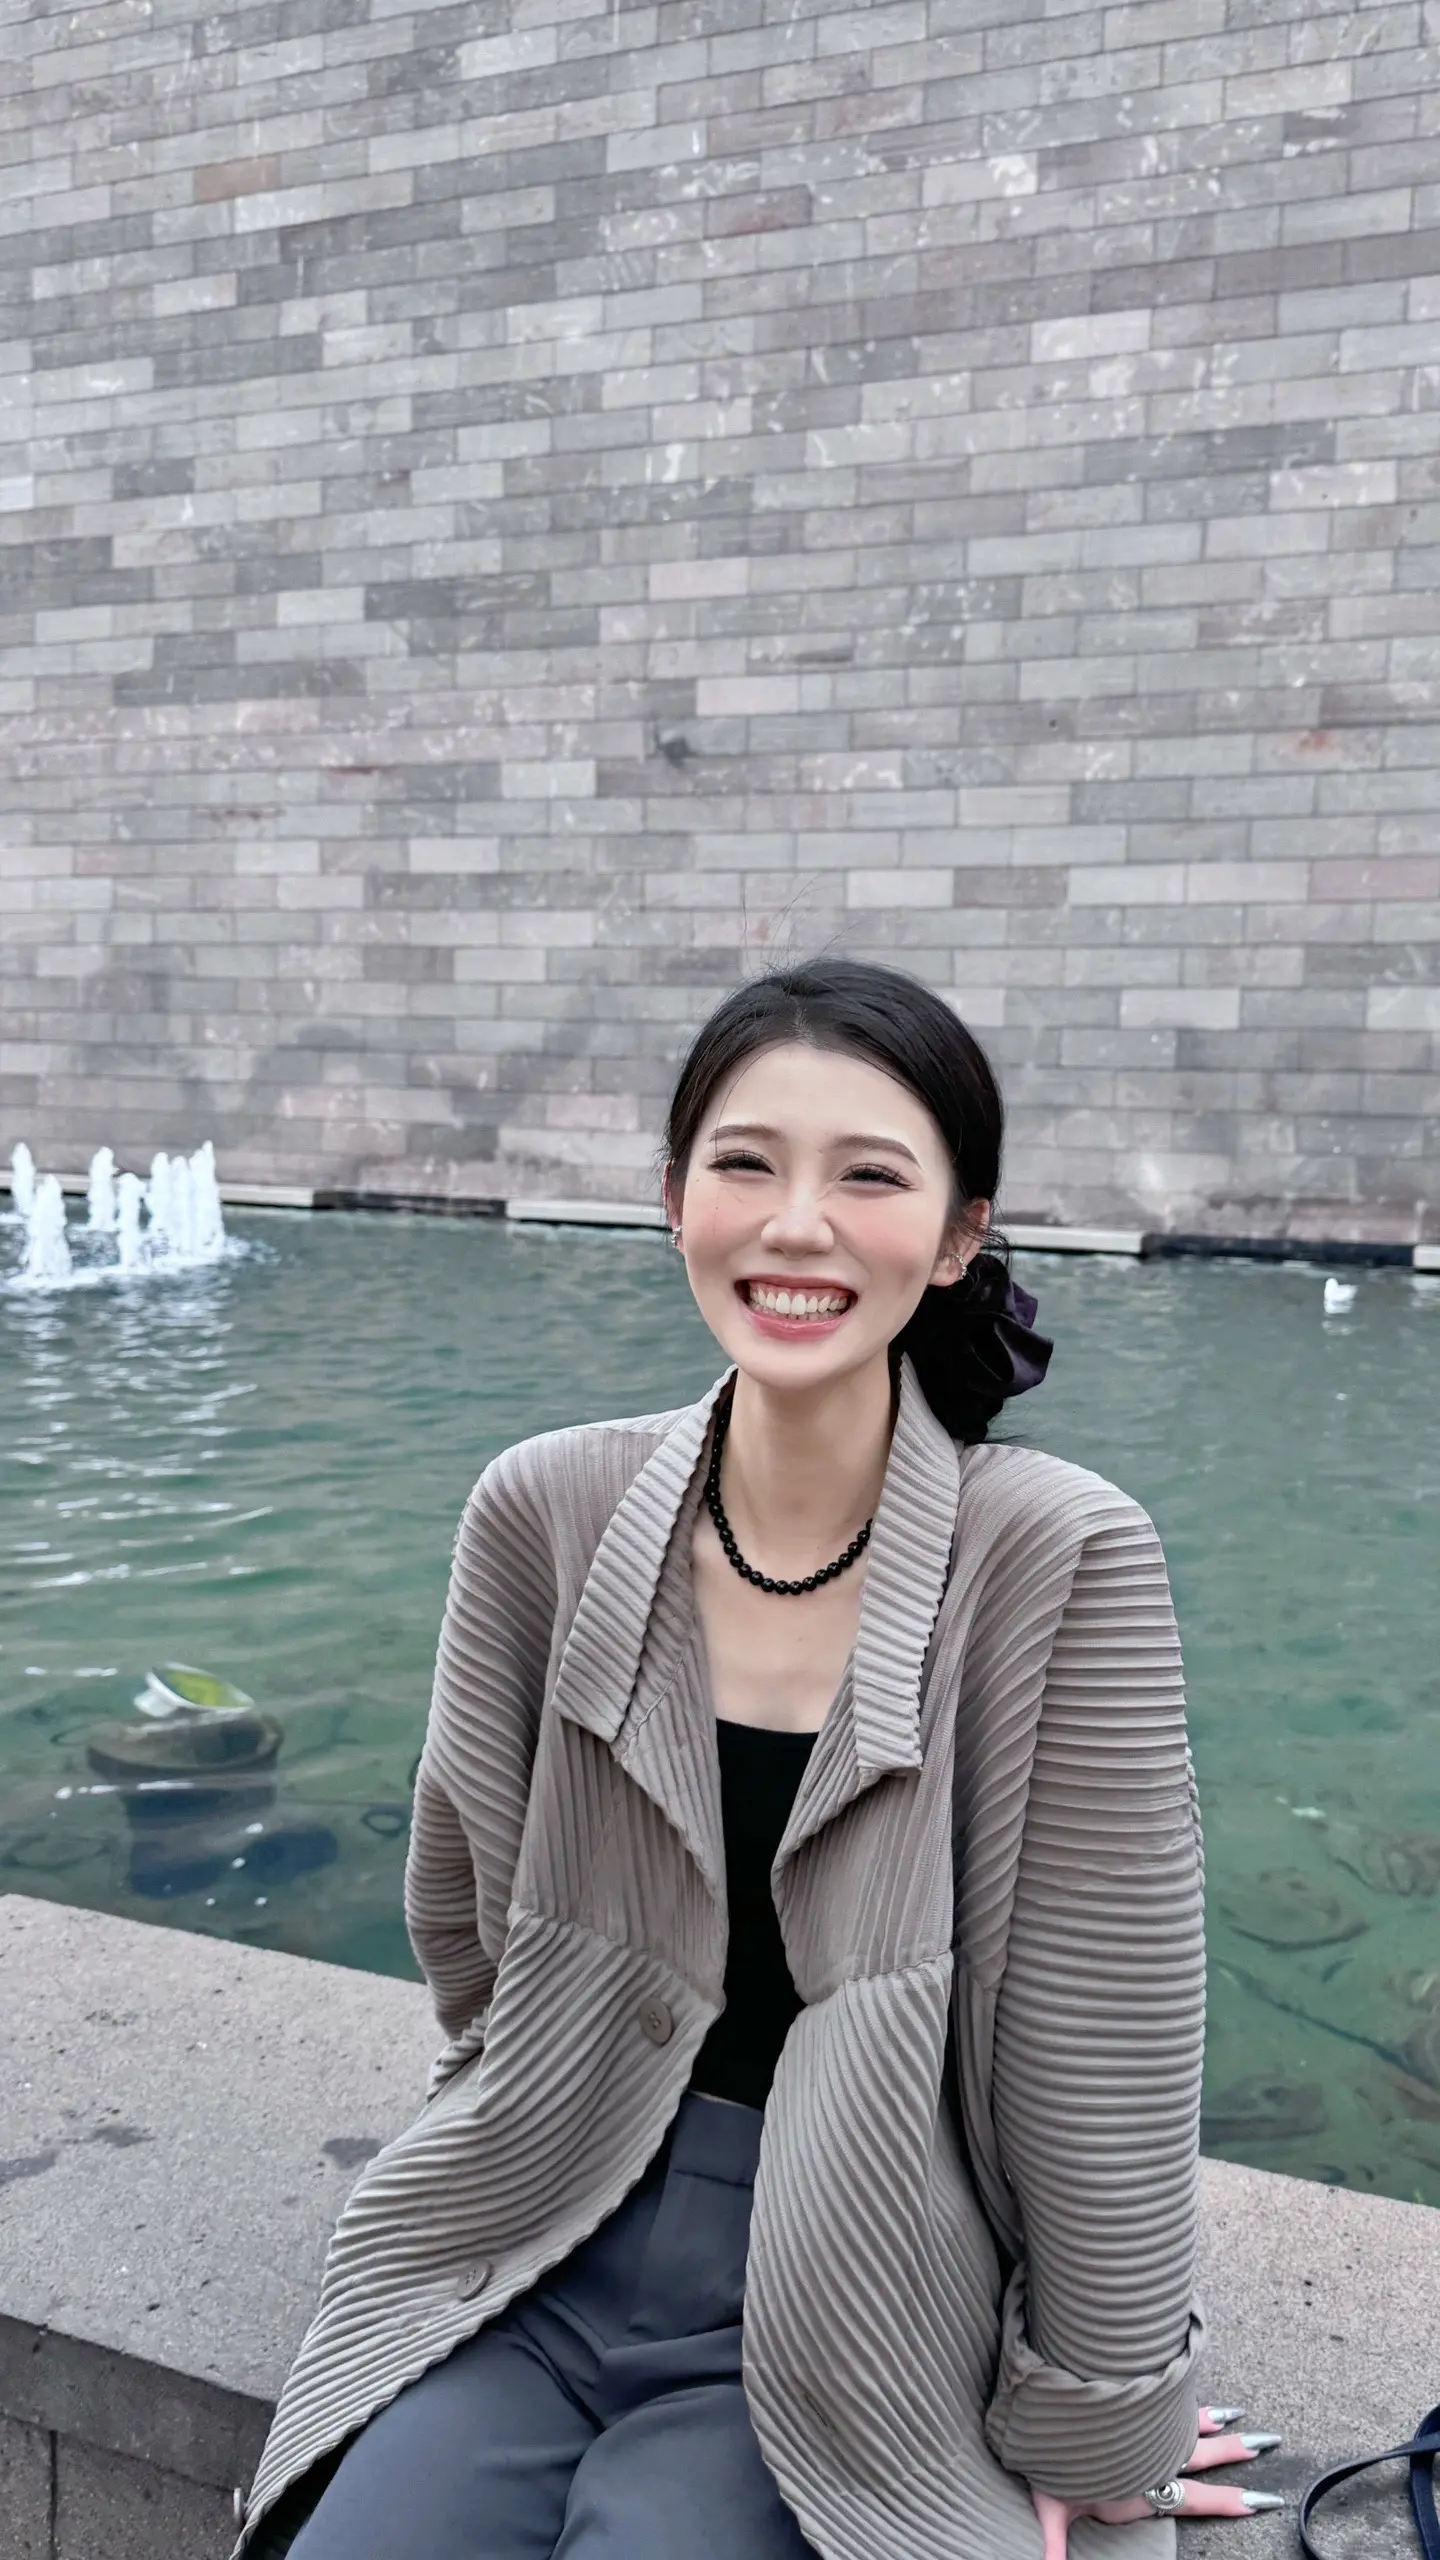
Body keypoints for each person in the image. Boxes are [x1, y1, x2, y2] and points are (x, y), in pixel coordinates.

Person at [237, 959, 1282, 2560]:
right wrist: (511, 2130)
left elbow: (1105, 2041)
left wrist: (1098, 2403)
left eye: (869, 1176)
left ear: (959, 1234)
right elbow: (466, 1921)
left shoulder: (1059, 1554)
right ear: (674, 1201)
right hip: (535, 2231)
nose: (797, 1226)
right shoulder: (541, 1507)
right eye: (746, 1163)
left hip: (857, 2290)